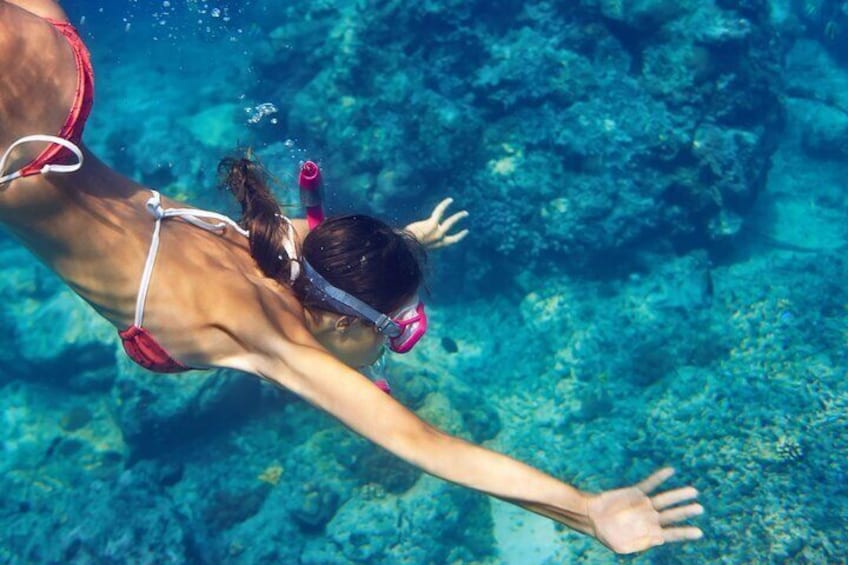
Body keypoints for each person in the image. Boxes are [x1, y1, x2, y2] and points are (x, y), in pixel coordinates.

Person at [0, 0, 704, 555]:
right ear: (341, 318)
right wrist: (585, 508)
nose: (393, 347)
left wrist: (401, 240)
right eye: (393, 334)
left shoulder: (275, 253)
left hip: (54, 75)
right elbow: (425, 444)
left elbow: (326, 241)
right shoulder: (275, 331)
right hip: (15, 147)